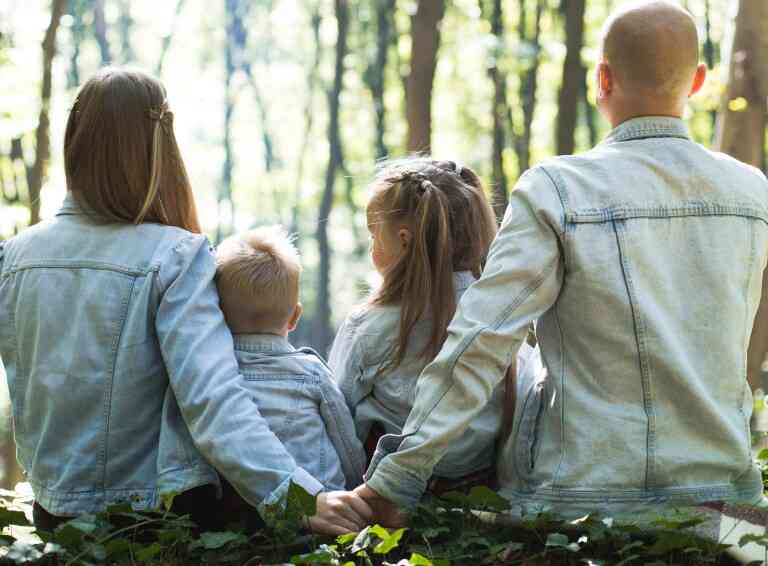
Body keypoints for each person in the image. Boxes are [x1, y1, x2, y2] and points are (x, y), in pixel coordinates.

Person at [354, 1, 768, 524]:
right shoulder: (753, 194)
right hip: (724, 503)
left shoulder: (558, 190)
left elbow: (482, 340)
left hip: (580, 501)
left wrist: (397, 478)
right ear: (699, 81)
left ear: (602, 79)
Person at [0, 67, 371, 535]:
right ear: (159, 149)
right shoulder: (175, 255)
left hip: (54, 516)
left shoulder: (13, 256)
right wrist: (296, 498)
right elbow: (213, 400)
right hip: (151, 520)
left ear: (75, 140)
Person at [329, 158, 509, 491]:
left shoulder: (369, 325)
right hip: (479, 486)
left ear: (404, 240)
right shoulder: (500, 315)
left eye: (374, 235)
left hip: (387, 490)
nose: (371, 247)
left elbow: (338, 415)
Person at [213, 226, 365, 491]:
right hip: (320, 503)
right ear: (295, 317)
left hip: (241, 511)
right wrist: (356, 486)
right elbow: (346, 443)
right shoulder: (312, 373)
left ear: (218, 314)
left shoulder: (211, 374)